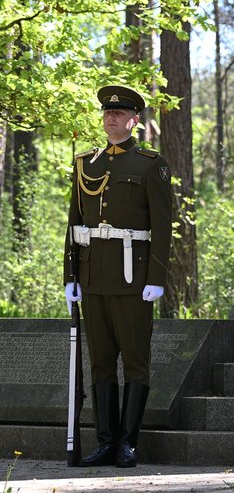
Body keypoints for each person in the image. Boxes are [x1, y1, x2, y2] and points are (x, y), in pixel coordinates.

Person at [63, 84, 174, 468]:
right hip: (93, 279)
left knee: (136, 361)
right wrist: (70, 276)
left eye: (120, 113)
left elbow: (163, 225)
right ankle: (106, 442)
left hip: (134, 279)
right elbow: (74, 224)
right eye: (108, 113)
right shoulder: (85, 164)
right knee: (100, 362)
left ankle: (128, 442)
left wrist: (156, 277)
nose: (112, 118)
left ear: (134, 120)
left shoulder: (149, 164)